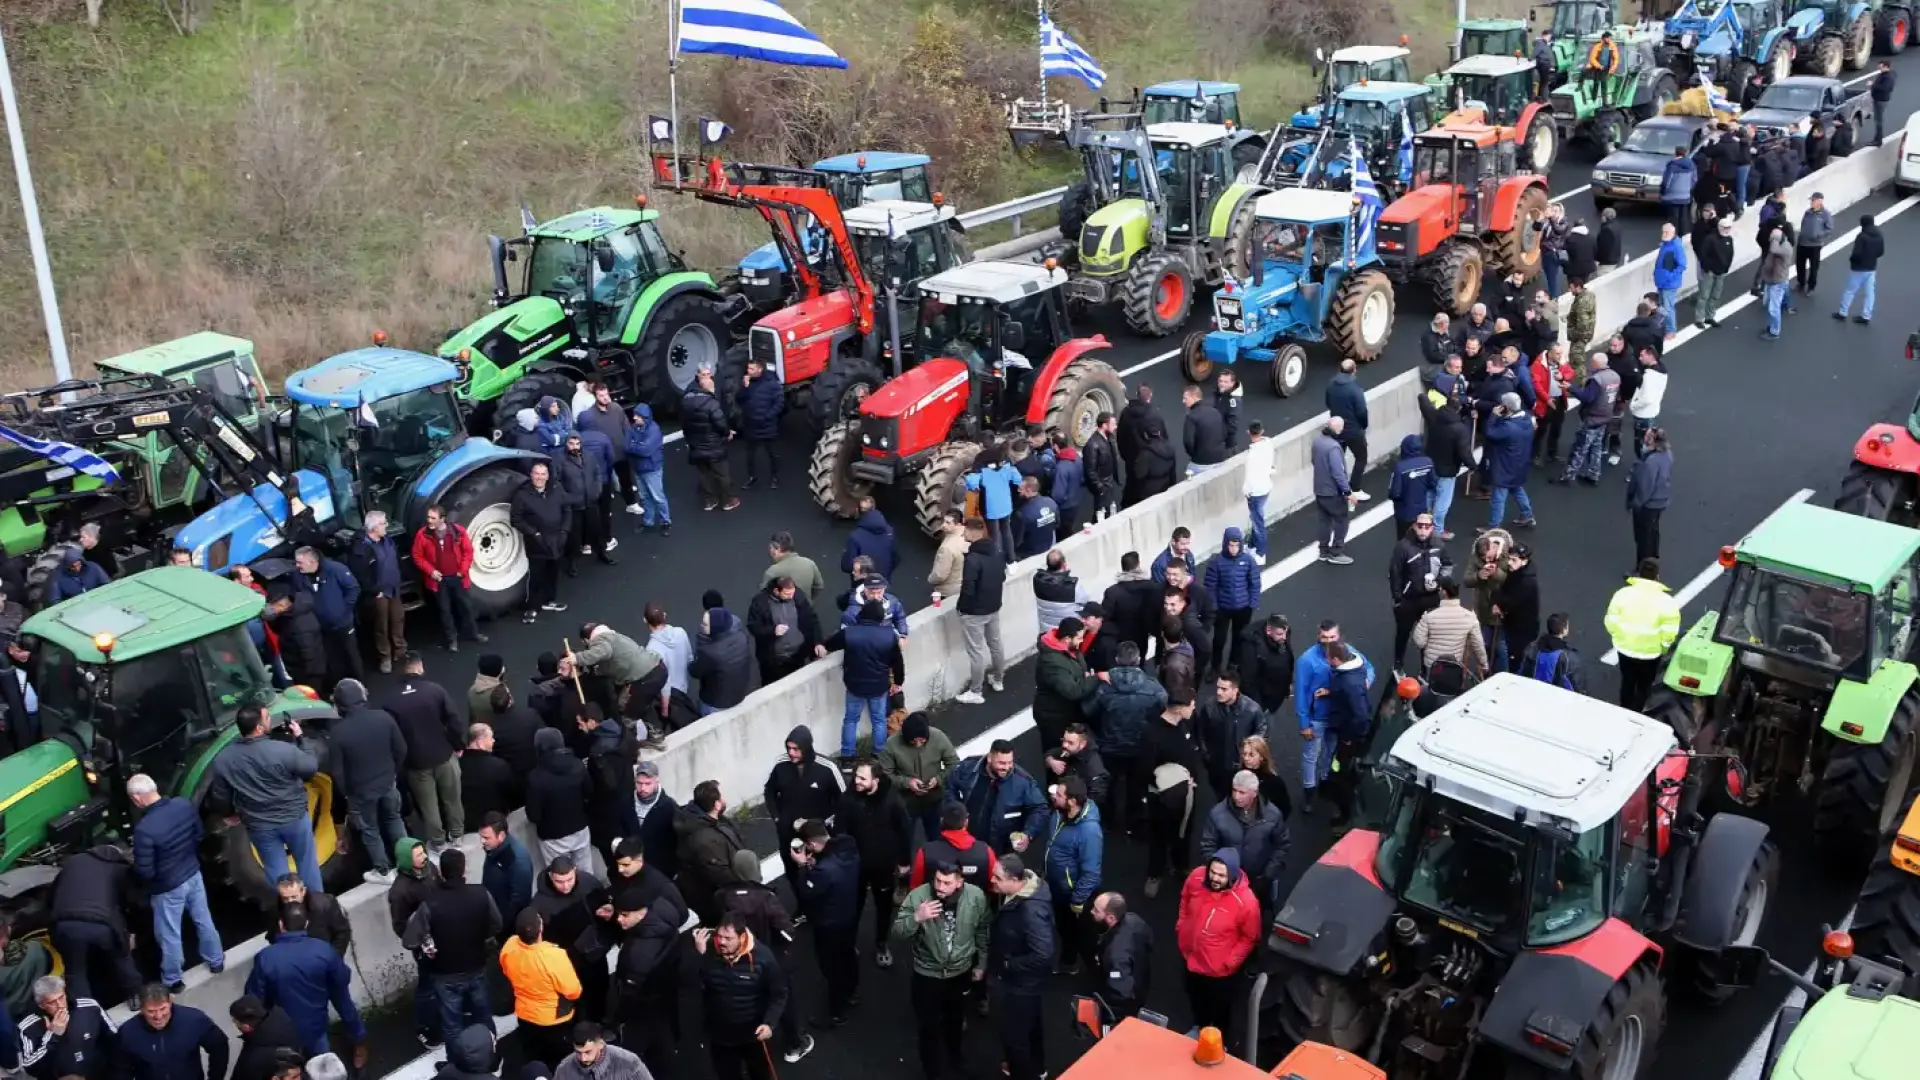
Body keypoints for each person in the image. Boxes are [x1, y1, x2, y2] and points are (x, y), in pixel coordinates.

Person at [206, 704, 324, 893]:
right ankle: (318, 906)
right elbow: (310, 768)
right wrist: (300, 738)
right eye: (267, 717)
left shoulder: (224, 759)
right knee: (306, 863)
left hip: (260, 825)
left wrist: (229, 814)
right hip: (293, 818)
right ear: (259, 728)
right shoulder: (282, 749)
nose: (270, 719)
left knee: (277, 873)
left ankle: (288, 911)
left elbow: (221, 796)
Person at [893, 863, 989, 1080]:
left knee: (955, 1020)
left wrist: (981, 963)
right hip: (927, 974)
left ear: (959, 882)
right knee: (928, 1026)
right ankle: (932, 1070)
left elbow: (983, 930)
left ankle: (956, 1057)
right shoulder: (918, 896)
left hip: (959, 972)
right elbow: (898, 933)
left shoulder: (976, 897)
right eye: (937, 880)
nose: (940, 886)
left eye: (946, 882)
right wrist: (917, 917)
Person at [128, 775, 223, 993]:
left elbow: (145, 871)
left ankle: (173, 980)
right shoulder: (183, 805)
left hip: (167, 888)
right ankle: (216, 961)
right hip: (193, 873)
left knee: (170, 934)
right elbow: (198, 835)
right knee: (204, 920)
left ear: (136, 798)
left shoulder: (145, 829)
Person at [405, 848, 503, 1041]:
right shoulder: (481, 894)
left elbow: (410, 940)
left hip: (445, 974)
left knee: (452, 1024)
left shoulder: (429, 904)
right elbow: (497, 924)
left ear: (440, 873)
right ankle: (492, 1054)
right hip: (477, 966)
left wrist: (428, 944)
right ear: (464, 869)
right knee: (483, 1015)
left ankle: (456, 1065)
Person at [246, 903, 365, 1058]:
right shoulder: (324, 950)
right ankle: (359, 1043)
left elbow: (254, 997)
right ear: (307, 924)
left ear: (281, 924)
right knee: (324, 1067)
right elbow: (343, 980)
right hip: (316, 1026)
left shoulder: (265, 958)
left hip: (283, 1030)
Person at [324, 679, 408, 884]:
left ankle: (383, 870)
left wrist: (348, 793)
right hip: (388, 783)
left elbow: (338, 772)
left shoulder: (338, 733)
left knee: (371, 829)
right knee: (394, 819)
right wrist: (392, 773)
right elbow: (401, 750)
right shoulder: (383, 717)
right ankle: (408, 862)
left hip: (361, 792)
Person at [381, 653, 466, 852]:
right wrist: (458, 744)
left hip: (415, 761)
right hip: (443, 753)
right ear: (419, 667)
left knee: (428, 807)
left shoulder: (390, 700)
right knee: (452, 798)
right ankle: (457, 835)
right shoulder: (435, 690)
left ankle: (438, 842)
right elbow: (454, 720)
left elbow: (392, 736)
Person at [1176, 851, 1261, 1037]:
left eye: (1221, 875)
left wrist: (1230, 962)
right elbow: (1185, 898)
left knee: (1220, 1008)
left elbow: (1250, 937)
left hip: (1219, 970)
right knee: (1195, 997)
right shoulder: (1197, 876)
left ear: (1232, 874)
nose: (1215, 878)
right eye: (1212, 872)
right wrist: (1181, 924)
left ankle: (1220, 1039)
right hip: (1191, 957)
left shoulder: (1246, 902)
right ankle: (1200, 1027)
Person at [838, 760, 912, 969]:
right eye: (856, 777)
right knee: (853, 907)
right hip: (855, 866)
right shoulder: (848, 799)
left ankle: (881, 943)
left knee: (884, 907)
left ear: (876, 780)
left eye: (862, 778)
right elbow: (840, 831)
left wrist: (905, 862)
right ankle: (850, 942)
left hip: (883, 865)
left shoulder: (892, 800)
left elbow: (904, 831)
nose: (857, 781)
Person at [694, 916, 788, 1080]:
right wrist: (700, 958)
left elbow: (779, 993)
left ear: (742, 937)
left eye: (728, 938)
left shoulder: (763, 958)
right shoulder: (708, 953)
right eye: (719, 936)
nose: (722, 942)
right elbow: (696, 986)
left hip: (753, 1033)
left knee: (761, 1074)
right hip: (720, 1035)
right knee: (727, 1075)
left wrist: (769, 1023)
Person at [47, 843, 140, 1006]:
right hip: (102, 925)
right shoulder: (120, 869)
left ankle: (85, 1012)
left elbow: (52, 896)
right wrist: (127, 934)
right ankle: (136, 996)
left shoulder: (74, 861)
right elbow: (128, 902)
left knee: (75, 972)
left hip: (66, 925)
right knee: (121, 958)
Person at [1294, 622, 1372, 814]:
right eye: (1324, 637)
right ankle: (1309, 792)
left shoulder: (1347, 652)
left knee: (1330, 752)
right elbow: (1301, 693)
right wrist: (1304, 723)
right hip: (1318, 717)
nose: (1328, 642)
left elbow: (1369, 669)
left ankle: (1325, 782)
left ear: (1339, 638)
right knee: (1311, 755)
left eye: (1332, 637)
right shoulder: (1306, 661)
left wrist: (1363, 685)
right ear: (1318, 637)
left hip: (1338, 718)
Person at [987, 857, 1054, 1080]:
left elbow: (1043, 953)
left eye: (998, 877)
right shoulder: (1024, 892)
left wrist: (1009, 964)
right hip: (1028, 982)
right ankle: (1039, 1068)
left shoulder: (1030, 912)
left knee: (1014, 1038)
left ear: (1015, 880)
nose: (992, 880)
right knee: (1032, 1026)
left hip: (1021, 983)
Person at [792, 820, 861, 1028]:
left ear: (811, 845)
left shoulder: (823, 872)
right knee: (849, 957)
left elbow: (806, 893)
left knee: (832, 968)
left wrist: (803, 866)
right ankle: (851, 993)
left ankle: (835, 1012)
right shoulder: (849, 849)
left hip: (829, 925)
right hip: (849, 915)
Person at [531, 855, 613, 1026]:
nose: (566, 885)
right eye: (559, 881)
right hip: (568, 962)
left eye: (569, 879)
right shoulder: (540, 904)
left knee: (601, 987)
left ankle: (601, 1018)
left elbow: (603, 903)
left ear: (575, 871)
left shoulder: (589, 883)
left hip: (595, 952)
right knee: (578, 998)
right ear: (551, 877)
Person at [499, 908, 582, 1069]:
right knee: (559, 1061)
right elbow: (573, 991)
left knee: (532, 1054)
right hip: (554, 1019)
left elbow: (505, 970)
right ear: (541, 928)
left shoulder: (509, 947)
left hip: (525, 1013)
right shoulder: (554, 956)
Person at [1200, 769, 1289, 916]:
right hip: (1228, 882)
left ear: (1254, 793)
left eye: (1242, 792)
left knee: (1256, 915)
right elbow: (1207, 844)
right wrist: (1220, 873)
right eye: (1234, 790)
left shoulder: (1273, 815)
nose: (1236, 796)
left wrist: (1267, 875)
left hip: (1260, 880)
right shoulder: (1217, 814)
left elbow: (1282, 845)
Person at [823, 600, 904, 757]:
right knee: (879, 720)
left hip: (854, 685)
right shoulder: (889, 635)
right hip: (879, 685)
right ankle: (878, 753)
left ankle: (847, 755)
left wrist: (821, 645)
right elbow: (898, 662)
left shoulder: (850, 633)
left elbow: (830, 644)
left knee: (851, 719)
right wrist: (898, 683)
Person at [386, 838, 445, 1047]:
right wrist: (420, 939)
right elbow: (400, 925)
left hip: (443, 934)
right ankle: (425, 1027)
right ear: (406, 860)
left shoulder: (431, 869)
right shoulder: (399, 891)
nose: (425, 857)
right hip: (424, 945)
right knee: (427, 986)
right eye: (418, 855)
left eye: (423, 853)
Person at [763, 726, 842, 882]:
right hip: (788, 832)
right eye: (789, 748)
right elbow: (769, 791)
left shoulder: (827, 768)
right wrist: (778, 819)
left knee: (821, 872)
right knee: (791, 870)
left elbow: (843, 799)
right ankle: (801, 902)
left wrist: (826, 822)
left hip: (817, 834)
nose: (791, 753)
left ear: (806, 748)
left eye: (796, 749)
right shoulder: (781, 764)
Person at [1143, 695, 1203, 897]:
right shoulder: (1153, 734)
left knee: (1185, 831)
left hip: (1187, 793)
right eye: (1191, 705)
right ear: (1179, 709)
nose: (1193, 709)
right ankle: (1154, 873)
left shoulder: (1185, 724)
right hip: (1162, 797)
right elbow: (1144, 770)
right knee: (1159, 835)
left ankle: (1181, 865)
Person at [1042, 776, 1102, 973]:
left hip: (1073, 894)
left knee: (1081, 936)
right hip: (1057, 886)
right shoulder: (1060, 814)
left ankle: (1094, 973)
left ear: (1072, 801)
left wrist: (1077, 900)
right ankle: (1068, 962)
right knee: (1064, 928)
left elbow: (1091, 872)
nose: (1054, 797)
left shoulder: (1089, 831)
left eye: (1059, 795)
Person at [1605, 557, 1682, 710]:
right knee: (1644, 687)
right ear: (1657, 576)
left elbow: (1611, 621)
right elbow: (1670, 632)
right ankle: (1637, 711)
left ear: (1638, 574)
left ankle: (1624, 708)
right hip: (1650, 654)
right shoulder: (1667, 602)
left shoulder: (1622, 594)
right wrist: (1663, 648)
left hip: (1625, 649)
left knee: (1627, 682)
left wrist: (1618, 637)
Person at [948, 740, 1048, 855]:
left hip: (1000, 850)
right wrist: (955, 813)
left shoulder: (1023, 781)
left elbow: (1040, 808)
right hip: (966, 842)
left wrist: (1028, 833)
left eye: (1010, 762)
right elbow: (950, 787)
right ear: (989, 758)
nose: (1007, 767)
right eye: (1001, 763)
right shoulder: (968, 767)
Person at [116, 983, 227, 1080]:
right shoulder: (127, 1033)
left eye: (163, 1009)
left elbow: (219, 1046)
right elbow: (121, 1069)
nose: (158, 1016)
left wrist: (215, 1078)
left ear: (170, 1002)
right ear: (142, 1009)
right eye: (151, 1011)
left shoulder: (194, 1020)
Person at [676, 781, 747, 925]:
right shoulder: (704, 841)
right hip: (717, 901)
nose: (724, 800)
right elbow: (721, 875)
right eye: (722, 798)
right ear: (716, 805)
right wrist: (746, 884)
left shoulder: (710, 820)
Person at [20, 975, 116, 1080]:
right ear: (41, 1005)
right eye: (52, 1002)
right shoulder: (28, 1026)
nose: (60, 1005)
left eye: (61, 997)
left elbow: (114, 1038)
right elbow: (31, 1067)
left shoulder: (89, 1007)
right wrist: (53, 1035)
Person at [524, 727, 594, 872]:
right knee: (586, 874)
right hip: (580, 829)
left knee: (561, 878)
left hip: (553, 837)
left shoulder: (535, 777)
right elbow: (589, 793)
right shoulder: (577, 764)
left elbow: (534, 815)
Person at [292, 546, 360, 691]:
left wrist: (343, 610)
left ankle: (360, 687)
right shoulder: (298, 576)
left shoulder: (336, 569)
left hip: (343, 624)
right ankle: (338, 689)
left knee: (351, 655)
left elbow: (353, 589)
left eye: (300, 563)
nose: (297, 566)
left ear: (312, 561)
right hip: (321, 627)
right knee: (331, 660)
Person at [953, 518, 1006, 705]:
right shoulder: (997, 551)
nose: (963, 534)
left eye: (965, 531)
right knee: (995, 644)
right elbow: (1002, 576)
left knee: (976, 652)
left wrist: (962, 609)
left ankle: (976, 690)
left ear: (973, 532)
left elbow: (967, 588)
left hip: (974, 612)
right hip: (993, 606)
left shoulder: (973, 559)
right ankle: (998, 679)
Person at [347, 511, 407, 672]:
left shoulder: (388, 540)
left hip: (394, 589)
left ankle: (400, 651)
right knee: (381, 625)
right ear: (374, 527)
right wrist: (374, 591)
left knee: (398, 619)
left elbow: (396, 560)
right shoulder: (361, 549)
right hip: (378, 594)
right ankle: (385, 657)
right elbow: (360, 574)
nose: (386, 525)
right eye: (383, 523)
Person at [1389, 516, 1449, 673]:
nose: (1423, 530)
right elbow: (1395, 573)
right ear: (1414, 526)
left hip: (1430, 599)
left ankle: (1426, 666)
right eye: (1420, 526)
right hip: (1408, 600)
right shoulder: (1403, 547)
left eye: (1426, 526)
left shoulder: (1439, 545)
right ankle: (1397, 662)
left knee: (1429, 635)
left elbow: (1447, 565)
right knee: (1403, 632)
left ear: (1432, 528)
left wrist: (1439, 581)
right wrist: (1398, 599)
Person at [512, 461, 571, 623]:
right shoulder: (522, 495)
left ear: (547, 476)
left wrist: (564, 531)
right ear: (531, 475)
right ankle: (532, 607)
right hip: (536, 542)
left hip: (556, 540)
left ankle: (549, 600)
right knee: (536, 575)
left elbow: (567, 510)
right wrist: (534, 533)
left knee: (553, 572)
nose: (539, 477)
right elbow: (516, 519)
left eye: (542, 474)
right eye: (536, 473)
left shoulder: (557, 489)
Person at [1032, 616, 1101, 751]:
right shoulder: (1052, 663)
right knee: (1057, 752)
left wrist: (1084, 676)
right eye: (1079, 638)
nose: (1082, 641)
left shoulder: (1068, 649)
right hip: (1053, 716)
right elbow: (1072, 691)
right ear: (1067, 638)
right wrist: (1095, 678)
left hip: (1064, 710)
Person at [744, 576, 822, 686]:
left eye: (792, 593)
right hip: (773, 660)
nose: (791, 597)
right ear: (776, 591)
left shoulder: (798, 595)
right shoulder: (760, 602)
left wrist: (818, 642)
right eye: (787, 594)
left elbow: (812, 619)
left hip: (797, 656)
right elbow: (753, 626)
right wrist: (772, 631)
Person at [682, 367, 739, 512]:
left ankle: (709, 501)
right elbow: (721, 424)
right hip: (713, 446)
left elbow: (684, 423)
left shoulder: (686, 400)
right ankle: (727, 501)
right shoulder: (711, 403)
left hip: (696, 446)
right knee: (722, 474)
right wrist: (728, 433)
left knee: (704, 475)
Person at [1089, 892, 1153, 1022]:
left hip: (1128, 1001)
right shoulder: (1134, 919)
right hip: (1141, 975)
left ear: (1111, 918)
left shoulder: (1116, 955)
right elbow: (1149, 941)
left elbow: (1121, 992)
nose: (1091, 912)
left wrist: (1107, 1007)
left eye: (1096, 910)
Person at [1557, 355, 1620, 485]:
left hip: (1592, 418)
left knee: (1580, 448)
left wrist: (1571, 388)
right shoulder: (1615, 376)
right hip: (1605, 417)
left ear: (1596, 364)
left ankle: (1568, 476)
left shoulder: (1597, 380)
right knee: (1596, 447)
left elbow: (1587, 397)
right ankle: (1593, 474)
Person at [1411, 576, 1487, 680]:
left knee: (1432, 689)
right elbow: (1478, 645)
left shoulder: (1429, 615)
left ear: (1444, 592)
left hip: (1433, 664)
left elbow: (1419, 641)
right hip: (1454, 664)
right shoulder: (1470, 617)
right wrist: (1483, 663)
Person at [691, 605, 759, 716]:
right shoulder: (741, 637)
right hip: (739, 694)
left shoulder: (710, 652)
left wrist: (701, 642)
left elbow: (694, 671)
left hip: (716, 702)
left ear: (715, 628)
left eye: (705, 624)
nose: (701, 626)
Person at [1485, 392, 1537, 530]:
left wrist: (1493, 416)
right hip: (1520, 463)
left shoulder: (1508, 428)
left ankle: (1493, 526)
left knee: (1498, 498)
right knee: (1517, 489)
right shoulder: (1526, 419)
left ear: (1505, 407)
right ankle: (1527, 514)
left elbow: (1490, 433)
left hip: (1505, 466)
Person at [267, 875, 352, 957]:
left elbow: (342, 932)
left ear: (303, 891)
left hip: (323, 956)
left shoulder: (325, 904)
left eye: (294, 897)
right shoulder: (276, 909)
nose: (290, 902)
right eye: (285, 898)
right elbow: (272, 936)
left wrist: (332, 958)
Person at [964, 443, 1022, 562]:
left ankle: (998, 560)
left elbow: (972, 484)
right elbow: (1017, 479)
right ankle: (1011, 560)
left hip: (990, 508)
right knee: (1006, 531)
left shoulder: (982, 469)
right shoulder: (1006, 464)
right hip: (1005, 505)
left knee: (995, 535)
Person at [733, 358, 783, 490]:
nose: (748, 371)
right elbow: (738, 399)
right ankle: (751, 477)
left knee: (772, 453)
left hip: (767, 425)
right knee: (750, 454)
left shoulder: (772, 383)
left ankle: (775, 477)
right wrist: (745, 387)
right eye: (748, 368)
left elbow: (779, 403)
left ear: (760, 369)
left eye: (752, 369)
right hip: (751, 425)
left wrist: (768, 417)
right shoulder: (747, 383)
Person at [480, 813, 535, 929]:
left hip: (507, 922)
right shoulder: (493, 848)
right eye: (481, 836)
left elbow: (519, 900)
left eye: (486, 838)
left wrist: (503, 924)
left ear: (501, 835)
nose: (482, 841)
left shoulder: (518, 861)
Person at [1311, 418, 1354, 565]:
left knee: (1324, 521)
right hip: (1332, 492)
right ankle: (1336, 552)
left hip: (1319, 489)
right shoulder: (1334, 447)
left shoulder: (1317, 441)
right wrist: (1348, 492)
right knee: (1341, 520)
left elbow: (1313, 461)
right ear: (1337, 429)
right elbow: (1338, 473)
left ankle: (1323, 551)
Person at [229, 998, 303, 1080]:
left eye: (235, 1021)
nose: (234, 1023)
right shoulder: (283, 1022)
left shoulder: (254, 1059)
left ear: (246, 1027)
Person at [458, 723, 515, 827]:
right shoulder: (499, 766)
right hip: (493, 825)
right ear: (479, 742)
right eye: (491, 737)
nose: (493, 740)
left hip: (464, 825)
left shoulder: (457, 766)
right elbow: (510, 796)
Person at [626, 403, 671, 535]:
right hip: (639, 469)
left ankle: (666, 521)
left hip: (652, 469)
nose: (634, 418)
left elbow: (645, 450)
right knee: (645, 497)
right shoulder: (633, 428)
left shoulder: (654, 430)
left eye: (637, 416)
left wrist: (635, 446)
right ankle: (648, 521)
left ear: (644, 417)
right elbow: (626, 446)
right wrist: (637, 446)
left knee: (658, 497)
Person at [1324, 359, 1370, 486]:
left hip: (1336, 431)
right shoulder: (1355, 389)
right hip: (1354, 431)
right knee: (1361, 458)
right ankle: (1354, 488)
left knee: (1338, 461)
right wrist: (1364, 425)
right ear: (1354, 370)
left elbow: (1328, 403)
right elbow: (1362, 411)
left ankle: (1338, 486)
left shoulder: (1331, 384)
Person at [1837, 212, 1884, 324]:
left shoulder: (1862, 236)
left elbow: (1856, 253)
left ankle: (1843, 312)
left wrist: (1852, 260)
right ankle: (1866, 315)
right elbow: (1881, 252)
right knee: (1870, 293)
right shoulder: (1879, 235)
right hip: (1871, 268)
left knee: (1850, 291)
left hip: (1858, 268)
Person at [1520, 613, 1587, 692]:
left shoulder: (1533, 647)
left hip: (1533, 690)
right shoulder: (1569, 657)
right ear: (1564, 631)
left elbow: (1523, 670)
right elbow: (1576, 685)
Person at [1693, 215, 1735, 329]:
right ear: (1719, 227)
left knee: (1715, 295)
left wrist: (1726, 268)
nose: (1726, 230)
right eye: (1724, 227)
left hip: (1721, 272)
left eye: (1728, 228)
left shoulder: (1729, 239)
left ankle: (1709, 316)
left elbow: (1731, 255)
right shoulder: (1710, 239)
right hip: (1710, 272)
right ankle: (1699, 318)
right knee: (1704, 295)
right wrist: (1707, 268)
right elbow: (1703, 255)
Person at [1758, 218, 1795, 340]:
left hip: (1777, 281)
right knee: (1768, 304)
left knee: (1773, 308)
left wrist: (1775, 238)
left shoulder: (1785, 247)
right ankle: (1772, 326)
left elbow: (1773, 250)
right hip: (1771, 279)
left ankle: (1775, 332)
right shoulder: (1779, 242)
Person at [1180, 384, 1227, 477]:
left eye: (1185, 398)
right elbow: (1224, 433)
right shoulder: (1215, 411)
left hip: (1201, 461)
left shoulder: (1191, 417)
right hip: (1219, 458)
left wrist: (1195, 455)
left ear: (1194, 397)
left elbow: (1188, 442)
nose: (1183, 401)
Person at [1797, 192, 1834, 295]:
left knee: (1814, 267)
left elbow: (1829, 228)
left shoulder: (1825, 214)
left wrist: (1818, 235)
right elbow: (1803, 224)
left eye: (1813, 200)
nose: (1811, 202)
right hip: (1803, 243)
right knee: (1800, 265)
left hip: (1815, 245)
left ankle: (1811, 287)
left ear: (1820, 201)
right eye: (1811, 200)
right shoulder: (1808, 212)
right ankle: (1801, 283)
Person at [1658, 147, 1695, 234]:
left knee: (1673, 218)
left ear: (1675, 153)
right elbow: (1694, 180)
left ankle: (1673, 235)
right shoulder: (1691, 164)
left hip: (1672, 196)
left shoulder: (1672, 165)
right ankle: (1682, 235)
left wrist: (1662, 192)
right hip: (1685, 195)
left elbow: (1667, 181)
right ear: (1685, 153)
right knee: (1683, 217)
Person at [1872, 60, 1895, 144]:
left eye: (1880, 67)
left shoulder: (1888, 77)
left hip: (1881, 100)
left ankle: (1878, 140)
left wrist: (1873, 85)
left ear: (1886, 67)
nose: (1879, 69)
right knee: (1878, 120)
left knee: (1879, 121)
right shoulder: (1885, 75)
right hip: (1879, 99)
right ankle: (1877, 138)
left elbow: (1885, 88)